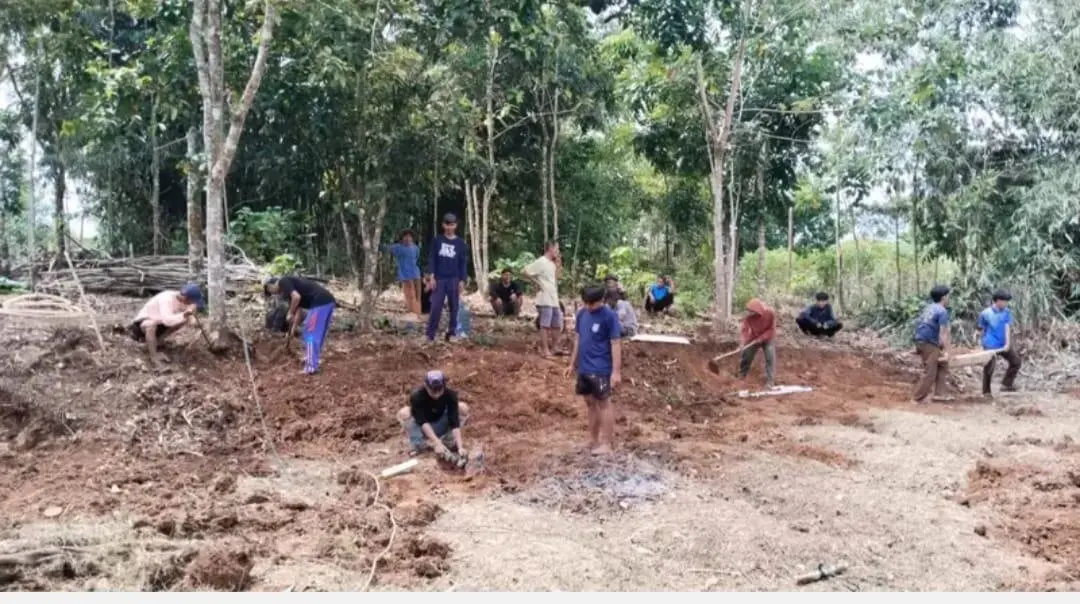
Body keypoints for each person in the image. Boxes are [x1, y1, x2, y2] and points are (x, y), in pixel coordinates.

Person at [566, 285, 622, 455]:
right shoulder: (582, 314)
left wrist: (616, 371)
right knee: (590, 403)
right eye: (586, 303)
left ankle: (608, 443)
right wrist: (572, 363)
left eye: (593, 304)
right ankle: (593, 439)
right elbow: (578, 339)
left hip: (600, 367)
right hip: (584, 367)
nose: (589, 307)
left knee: (603, 403)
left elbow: (616, 343)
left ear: (602, 300)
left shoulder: (609, 317)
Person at [264, 276, 337, 375]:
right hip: (328, 301)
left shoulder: (283, 281)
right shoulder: (289, 291)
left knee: (310, 333)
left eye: (270, 291)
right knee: (317, 334)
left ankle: (311, 367)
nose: (274, 294)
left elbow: (296, 297)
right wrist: (292, 330)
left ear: (270, 285)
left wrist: (289, 312)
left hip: (319, 302)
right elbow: (299, 311)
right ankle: (312, 360)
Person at [396, 370, 469, 458]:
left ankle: (449, 441)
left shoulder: (450, 395)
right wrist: (436, 442)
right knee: (404, 412)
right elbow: (422, 421)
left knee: (462, 408)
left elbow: (454, 422)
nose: (436, 394)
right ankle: (419, 445)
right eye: (433, 391)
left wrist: (460, 447)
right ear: (426, 386)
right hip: (422, 428)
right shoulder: (417, 396)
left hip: (441, 423)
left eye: (439, 390)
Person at [129, 283, 204, 367]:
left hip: (160, 323)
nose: (192, 303)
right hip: (141, 325)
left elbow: (190, 317)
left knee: (182, 320)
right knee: (151, 324)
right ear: (185, 298)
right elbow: (167, 321)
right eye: (192, 301)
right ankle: (154, 356)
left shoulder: (183, 301)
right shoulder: (167, 299)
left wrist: (191, 316)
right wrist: (184, 315)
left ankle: (157, 342)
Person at [426, 213, 469, 343]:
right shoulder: (437, 240)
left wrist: (462, 280)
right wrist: (431, 276)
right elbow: (432, 259)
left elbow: (462, 263)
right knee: (436, 307)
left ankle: (452, 332)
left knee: (454, 307)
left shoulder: (461, 243)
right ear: (443, 225)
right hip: (439, 279)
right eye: (447, 224)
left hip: (454, 279)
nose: (449, 227)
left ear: (456, 226)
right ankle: (430, 334)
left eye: (452, 225)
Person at [912, 285, 953, 404]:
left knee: (943, 365)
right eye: (948, 296)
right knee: (930, 371)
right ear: (944, 297)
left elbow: (921, 324)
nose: (949, 299)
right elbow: (943, 333)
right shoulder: (942, 311)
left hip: (922, 340)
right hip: (929, 343)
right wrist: (946, 351)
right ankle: (917, 398)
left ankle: (939, 394)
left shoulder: (928, 308)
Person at [977, 289, 1021, 398]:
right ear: (997, 301)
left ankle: (1006, 384)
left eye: (1007, 301)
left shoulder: (1006, 312)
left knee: (1016, 362)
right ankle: (986, 392)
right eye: (1004, 301)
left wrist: (1007, 344)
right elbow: (980, 329)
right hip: (990, 345)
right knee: (989, 368)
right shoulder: (985, 313)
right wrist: (978, 343)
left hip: (1003, 343)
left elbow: (1007, 327)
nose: (1006, 304)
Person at [522, 241, 564, 356]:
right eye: (556, 249)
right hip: (544, 298)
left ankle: (555, 347)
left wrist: (558, 264)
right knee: (545, 324)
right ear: (550, 248)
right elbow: (525, 271)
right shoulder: (541, 261)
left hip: (553, 297)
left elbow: (558, 277)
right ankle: (545, 349)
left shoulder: (551, 263)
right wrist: (536, 282)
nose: (558, 251)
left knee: (557, 323)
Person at [739, 298, 777, 389]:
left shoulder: (770, 313)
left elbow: (772, 329)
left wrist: (762, 338)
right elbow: (744, 330)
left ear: (757, 310)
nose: (749, 313)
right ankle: (742, 376)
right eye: (749, 311)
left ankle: (770, 381)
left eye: (751, 311)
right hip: (754, 337)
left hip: (768, 338)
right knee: (747, 354)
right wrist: (743, 342)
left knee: (770, 357)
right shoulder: (748, 317)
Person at [389, 229, 423, 316]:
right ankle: (412, 314)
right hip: (405, 275)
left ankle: (417, 314)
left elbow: (416, 258)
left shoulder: (416, 248)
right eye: (405, 236)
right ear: (402, 238)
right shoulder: (398, 247)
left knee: (418, 296)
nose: (407, 238)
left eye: (409, 236)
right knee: (410, 295)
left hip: (416, 273)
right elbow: (386, 248)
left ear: (412, 238)